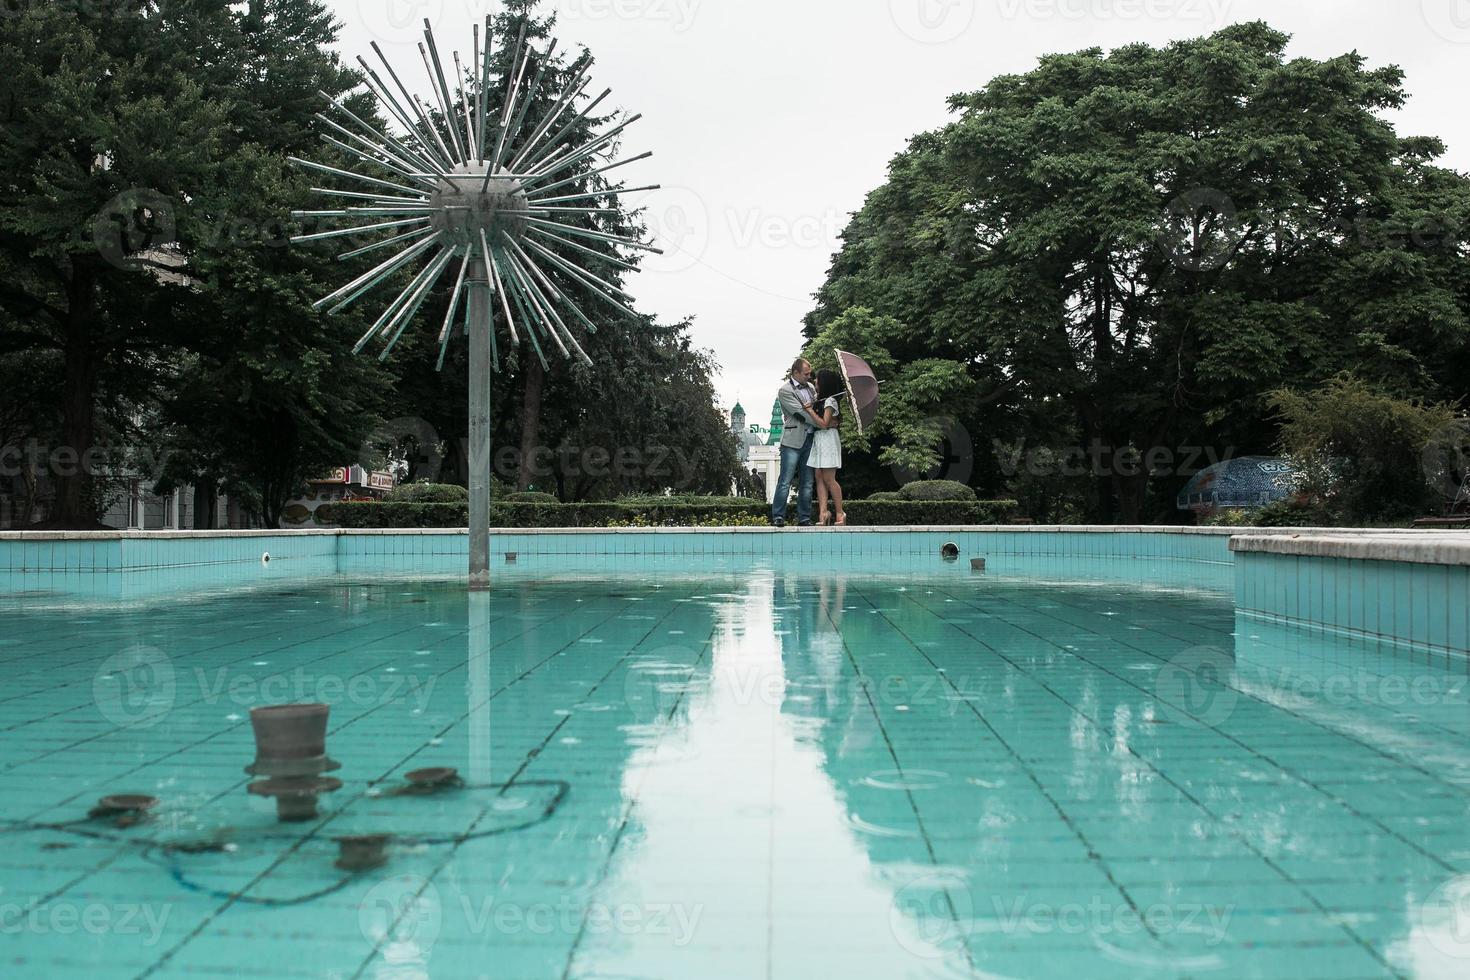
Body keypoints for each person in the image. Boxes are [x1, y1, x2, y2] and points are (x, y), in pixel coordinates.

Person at [771, 358, 824, 527]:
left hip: (810, 439)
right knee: (785, 481)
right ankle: (778, 516)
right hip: (792, 442)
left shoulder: (809, 388)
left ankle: (804, 518)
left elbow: (816, 408)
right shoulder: (785, 391)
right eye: (806, 374)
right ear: (795, 373)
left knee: (808, 482)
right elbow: (802, 414)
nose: (810, 377)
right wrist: (823, 423)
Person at [806, 369, 846, 526]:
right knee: (819, 476)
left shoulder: (830, 401)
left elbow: (823, 424)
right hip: (819, 439)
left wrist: (809, 411)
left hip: (828, 439)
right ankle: (823, 513)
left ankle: (840, 513)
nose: (815, 382)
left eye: (818, 380)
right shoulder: (820, 400)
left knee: (829, 478)